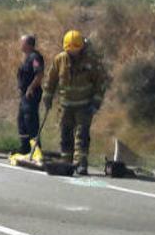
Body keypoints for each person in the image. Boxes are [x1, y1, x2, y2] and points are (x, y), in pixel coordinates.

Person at [43, 30, 107, 175]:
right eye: (70, 51)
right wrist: (47, 97)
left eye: (76, 50)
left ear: (81, 48)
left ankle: (80, 164)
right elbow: (51, 80)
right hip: (65, 106)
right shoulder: (60, 59)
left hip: (84, 106)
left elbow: (100, 84)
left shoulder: (91, 62)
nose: (73, 54)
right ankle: (66, 163)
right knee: (65, 135)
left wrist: (96, 103)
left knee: (82, 136)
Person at [16, 34, 44, 154]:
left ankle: (35, 149)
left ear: (28, 44)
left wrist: (30, 88)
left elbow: (39, 75)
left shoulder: (35, 57)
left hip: (31, 94)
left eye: (22, 42)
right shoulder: (27, 57)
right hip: (24, 95)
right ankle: (25, 147)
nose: (20, 45)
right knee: (22, 120)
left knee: (30, 120)